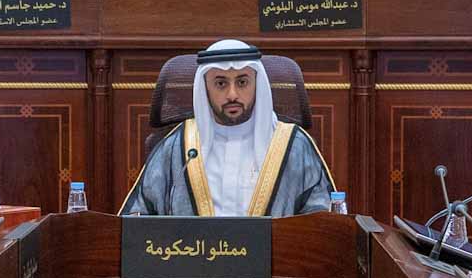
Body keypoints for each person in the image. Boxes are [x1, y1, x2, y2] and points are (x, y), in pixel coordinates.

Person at [121, 40, 333, 217]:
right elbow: (136, 223)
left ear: (256, 84)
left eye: (242, 82)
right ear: (205, 88)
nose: (232, 94)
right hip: (191, 264)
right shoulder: (178, 148)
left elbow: (322, 223)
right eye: (221, 84)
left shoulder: (293, 146)